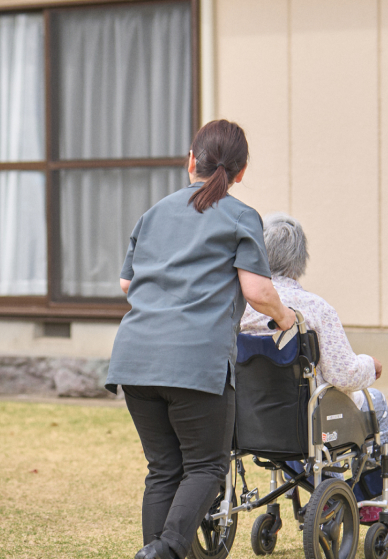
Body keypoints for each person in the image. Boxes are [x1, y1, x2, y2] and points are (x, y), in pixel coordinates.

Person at [106, 119, 302, 559]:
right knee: (207, 468)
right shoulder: (241, 216)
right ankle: (167, 550)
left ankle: (155, 552)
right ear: (241, 171)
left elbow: (126, 283)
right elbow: (257, 291)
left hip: (134, 359)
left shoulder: (154, 212)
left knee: (163, 470)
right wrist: (285, 317)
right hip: (195, 362)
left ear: (191, 160)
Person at [238, 212, 388, 522]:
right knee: (375, 402)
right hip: (309, 421)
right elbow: (344, 374)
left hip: (252, 421)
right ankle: (374, 496)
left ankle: (324, 488)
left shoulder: (241, 307)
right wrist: (370, 364)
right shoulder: (315, 308)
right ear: (300, 259)